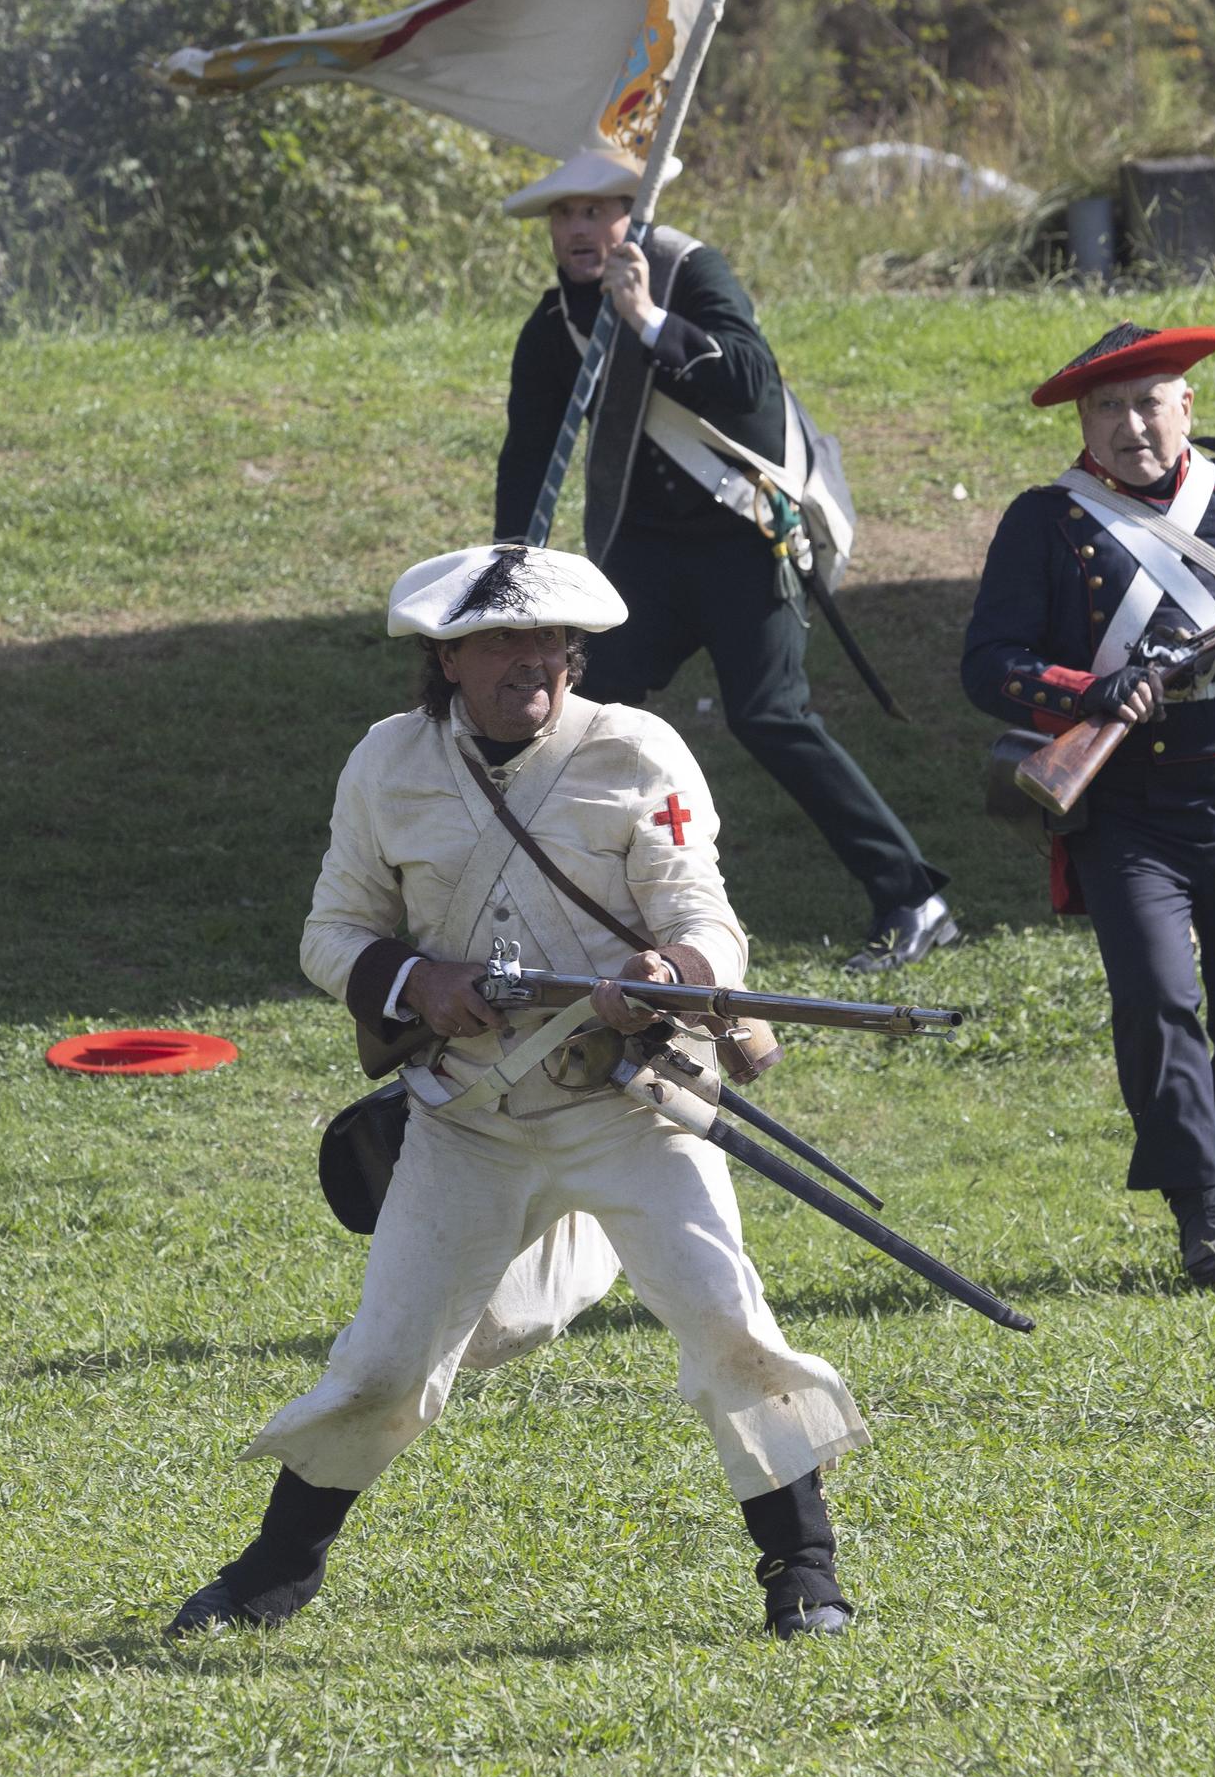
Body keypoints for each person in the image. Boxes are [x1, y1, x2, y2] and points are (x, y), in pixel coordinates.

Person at [168, 544, 867, 1640]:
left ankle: (804, 1576)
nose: (532, 662)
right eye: (502, 640)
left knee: (729, 1325)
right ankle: (269, 1577)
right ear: (446, 658)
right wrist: (417, 983)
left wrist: (665, 979)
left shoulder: (638, 751)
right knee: (384, 1363)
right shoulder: (385, 764)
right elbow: (331, 933)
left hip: (633, 1104)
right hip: (471, 1117)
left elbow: (706, 922)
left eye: (551, 641)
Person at [492, 146, 954, 973]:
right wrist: (511, 566)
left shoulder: (693, 275)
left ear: (636, 214)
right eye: (566, 213)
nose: (581, 227)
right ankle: (574, 904)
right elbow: (528, 453)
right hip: (642, 553)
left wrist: (647, 322)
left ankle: (912, 896)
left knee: (769, 715)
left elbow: (749, 383)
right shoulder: (550, 326)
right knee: (580, 707)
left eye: (601, 209)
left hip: (745, 538)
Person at [961, 323, 1215, 1287]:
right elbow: (989, 666)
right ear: (1084, 420)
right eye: (1107, 406)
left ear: (1188, 406)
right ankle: (1205, 1219)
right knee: (1159, 1003)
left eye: (1149, 400)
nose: (1130, 423)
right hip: (1128, 808)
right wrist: (1087, 692)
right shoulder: (1046, 519)